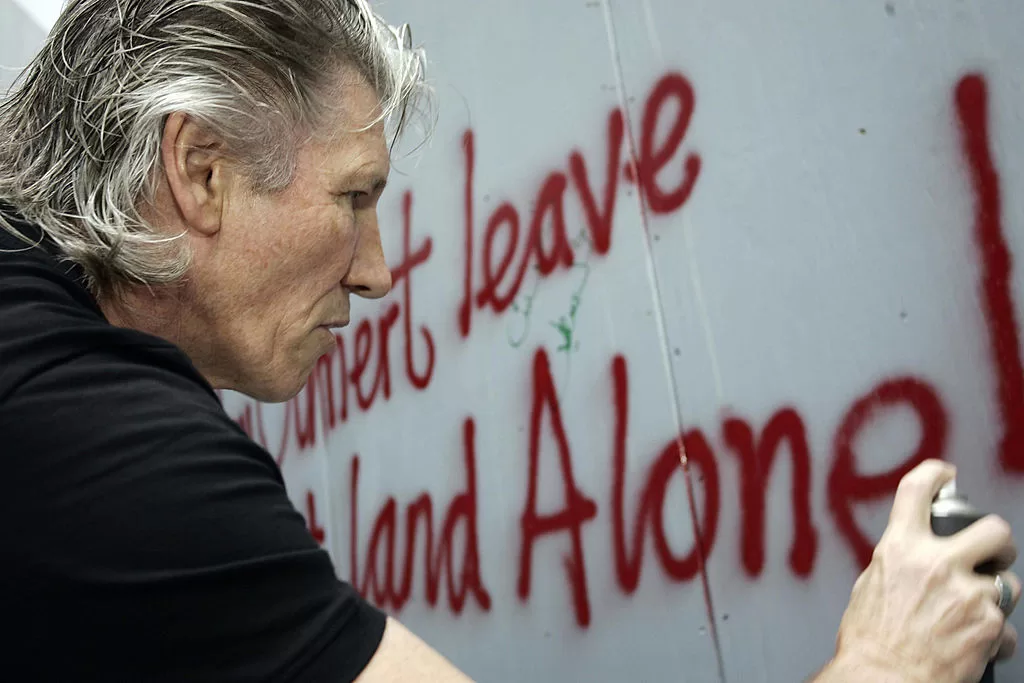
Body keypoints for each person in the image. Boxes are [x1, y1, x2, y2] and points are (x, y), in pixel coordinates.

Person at [0, 1, 1017, 681]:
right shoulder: (99, 444)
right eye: (354, 196)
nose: (376, 269)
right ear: (201, 168)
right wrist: (882, 667)